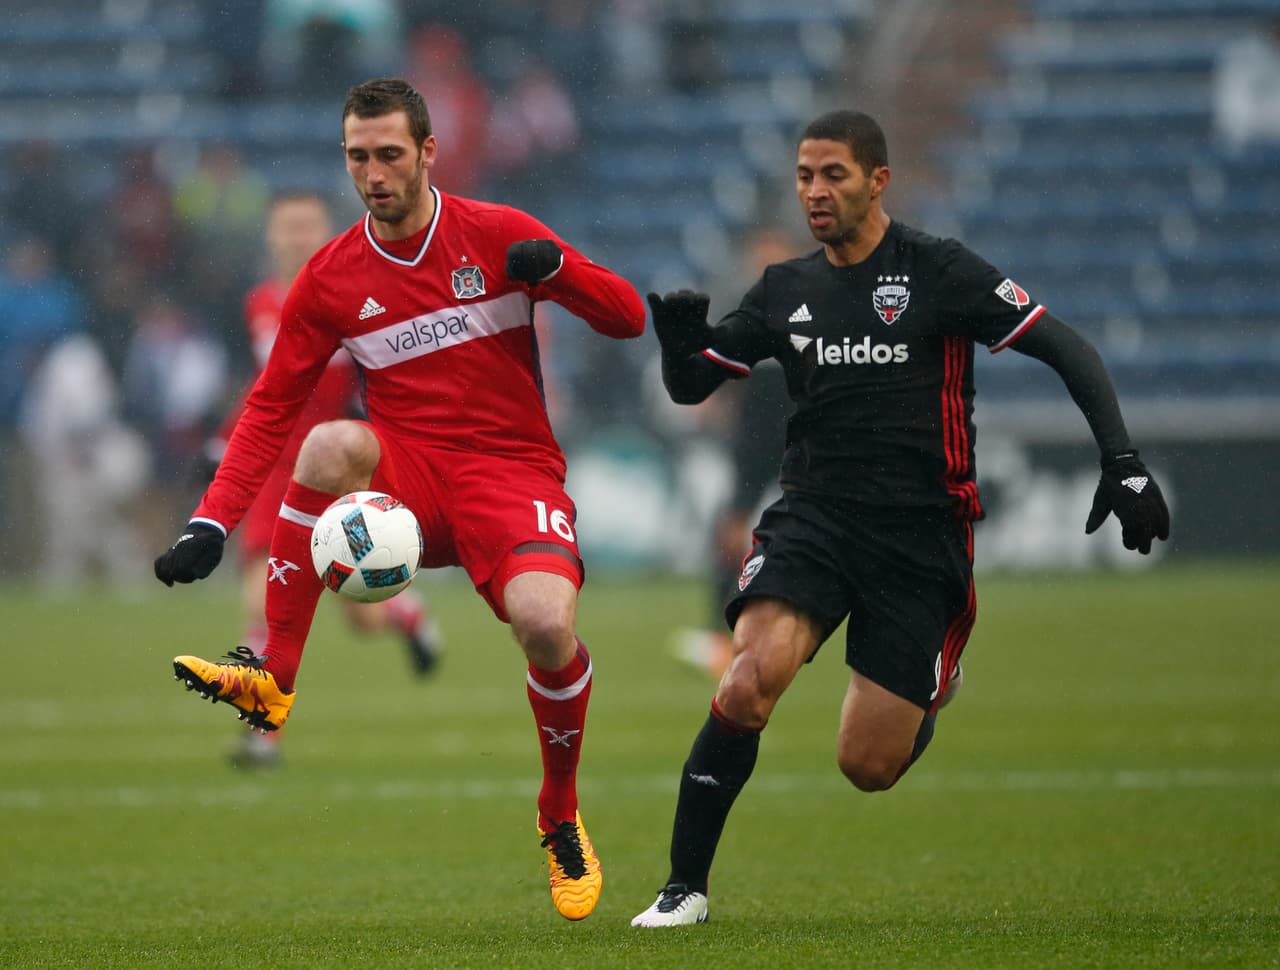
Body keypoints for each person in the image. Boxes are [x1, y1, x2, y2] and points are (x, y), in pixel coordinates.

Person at [631, 109, 1170, 927]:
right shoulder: (786, 288)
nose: (815, 192)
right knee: (748, 679)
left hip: (922, 538)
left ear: (878, 180)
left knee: (868, 765)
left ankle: (933, 683)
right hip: (813, 520)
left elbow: (1066, 346)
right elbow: (696, 383)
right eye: (805, 176)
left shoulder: (939, 271)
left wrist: (1122, 463)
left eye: (834, 175)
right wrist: (679, 349)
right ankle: (684, 887)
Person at [152, 78, 646, 920]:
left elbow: (629, 318)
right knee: (328, 442)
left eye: (388, 154)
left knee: (546, 626)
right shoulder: (332, 277)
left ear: (427, 153)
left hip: (510, 471)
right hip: (408, 474)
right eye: (357, 157)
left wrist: (559, 274)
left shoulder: (498, 234)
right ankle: (273, 679)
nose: (373, 174)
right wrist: (211, 518)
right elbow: (270, 406)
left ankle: (559, 815)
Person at [214, 190, 444, 769]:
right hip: (274, 470)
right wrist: (226, 438)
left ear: (326, 232)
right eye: (285, 227)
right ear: (270, 236)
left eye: (306, 226)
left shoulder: (354, 298)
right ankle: (263, 732)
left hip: (334, 465)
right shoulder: (258, 301)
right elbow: (264, 386)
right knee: (260, 598)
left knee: (361, 614)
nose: (295, 237)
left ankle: (407, 616)